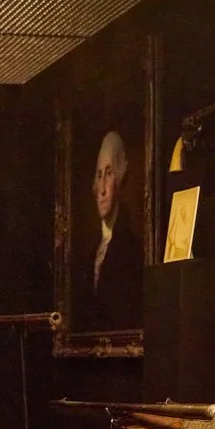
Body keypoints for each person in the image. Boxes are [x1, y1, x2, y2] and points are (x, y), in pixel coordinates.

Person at [73, 130, 143, 331]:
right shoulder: (91, 252)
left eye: (109, 173)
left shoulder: (131, 249)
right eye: (99, 175)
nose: (102, 189)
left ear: (120, 180)